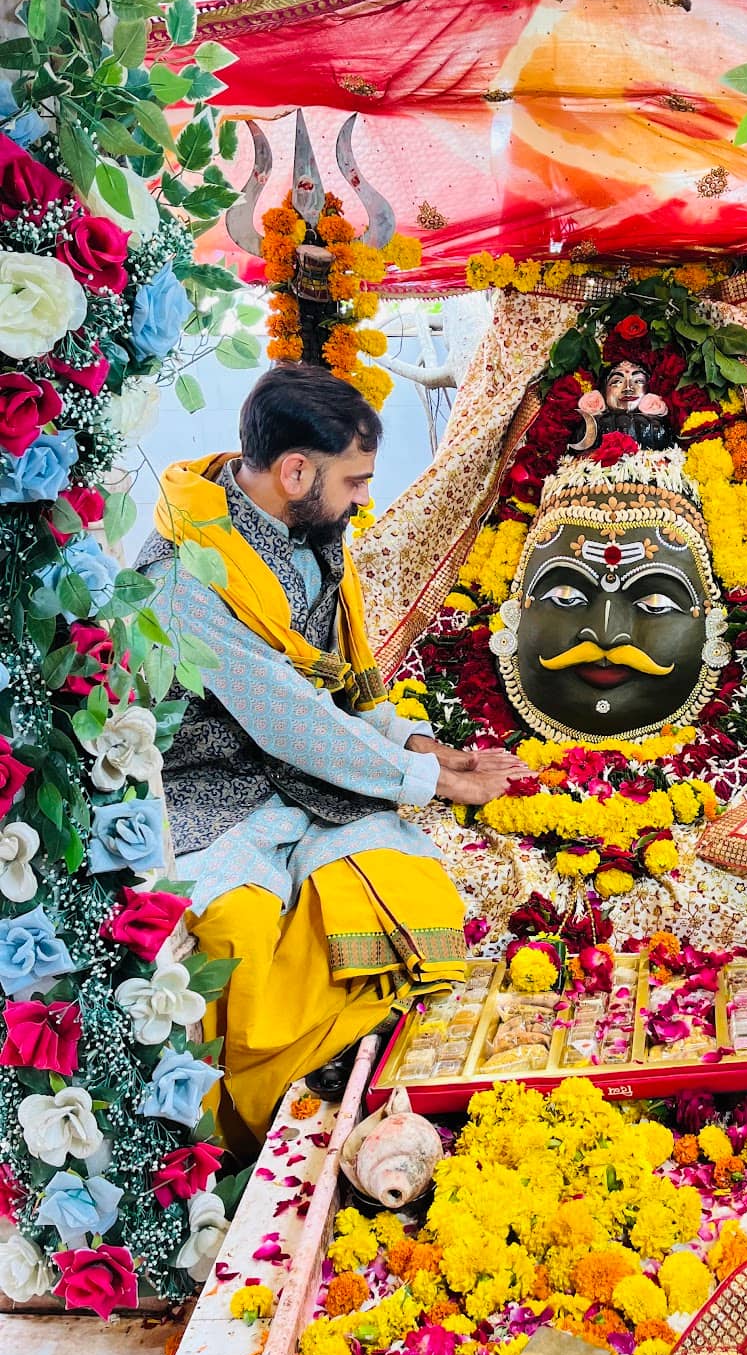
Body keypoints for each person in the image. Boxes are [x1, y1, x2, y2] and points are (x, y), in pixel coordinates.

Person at [137, 364, 528, 1153]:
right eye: (354, 481)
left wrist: (421, 745)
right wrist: (428, 778)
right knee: (241, 947)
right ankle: (270, 1113)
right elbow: (288, 717)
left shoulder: (309, 537)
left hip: (301, 775)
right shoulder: (184, 575)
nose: (361, 499)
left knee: (405, 890)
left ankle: (363, 1053)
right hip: (204, 791)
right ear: (295, 471)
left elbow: (337, 691)